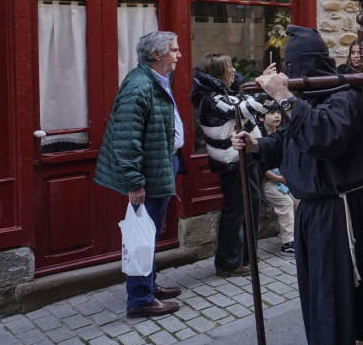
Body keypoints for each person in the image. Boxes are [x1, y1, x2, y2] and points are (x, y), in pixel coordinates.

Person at [233, 26, 363, 345]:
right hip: (317, 206)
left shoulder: (344, 96)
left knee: (327, 290)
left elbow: (323, 137)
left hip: (338, 207)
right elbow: (292, 144)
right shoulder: (304, 100)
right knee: (338, 282)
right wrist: (258, 145)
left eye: (294, 68)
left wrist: (285, 97)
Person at [94, 31, 185, 318]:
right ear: (157, 55)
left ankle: (149, 285)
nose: (178, 55)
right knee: (141, 237)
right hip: (148, 175)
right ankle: (140, 299)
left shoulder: (157, 80)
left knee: (150, 233)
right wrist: (134, 181)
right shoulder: (139, 86)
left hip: (161, 165)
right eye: (173, 50)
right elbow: (126, 138)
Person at [191, 54, 270, 277]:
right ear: (218, 74)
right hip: (231, 161)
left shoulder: (225, 90)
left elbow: (244, 94)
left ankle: (245, 257)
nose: (234, 71)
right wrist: (268, 89)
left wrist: (259, 80)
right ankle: (228, 262)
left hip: (244, 157)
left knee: (251, 205)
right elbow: (242, 110)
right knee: (236, 210)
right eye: (229, 68)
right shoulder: (211, 98)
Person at [259, 102, 296, 253]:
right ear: (261, 118)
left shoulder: (282, 134)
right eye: (271, 113)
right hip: (267, 182)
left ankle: (300, 234)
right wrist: (281, 179)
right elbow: (262, 169)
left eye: (278, 113)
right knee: (286, 203)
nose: (277, 116)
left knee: (300, 199)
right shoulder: (259, 136)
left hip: (284, 179)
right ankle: (288, 242)